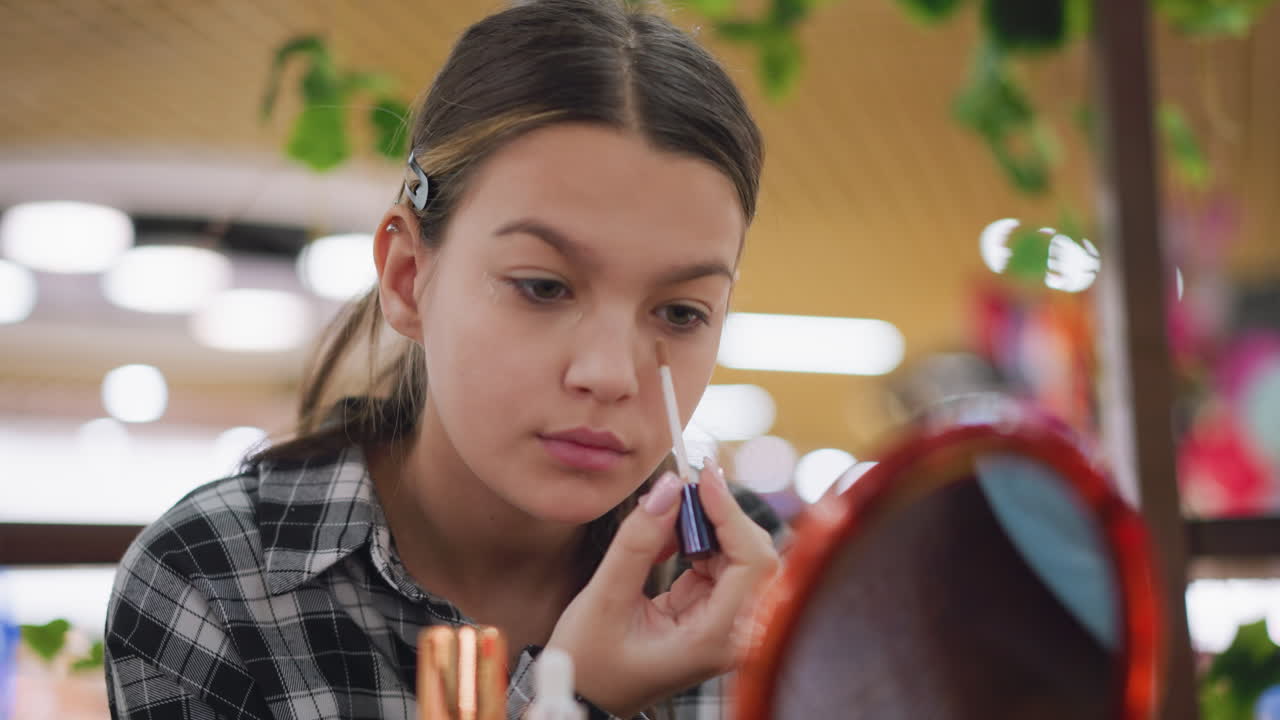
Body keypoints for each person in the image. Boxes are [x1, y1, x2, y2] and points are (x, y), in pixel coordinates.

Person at [103, 1, 782, 718]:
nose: (611, 374)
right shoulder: (217, 579)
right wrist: (579, 702)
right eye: (543, 286)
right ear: (407, 279)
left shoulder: (759, 584)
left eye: (681, 313)